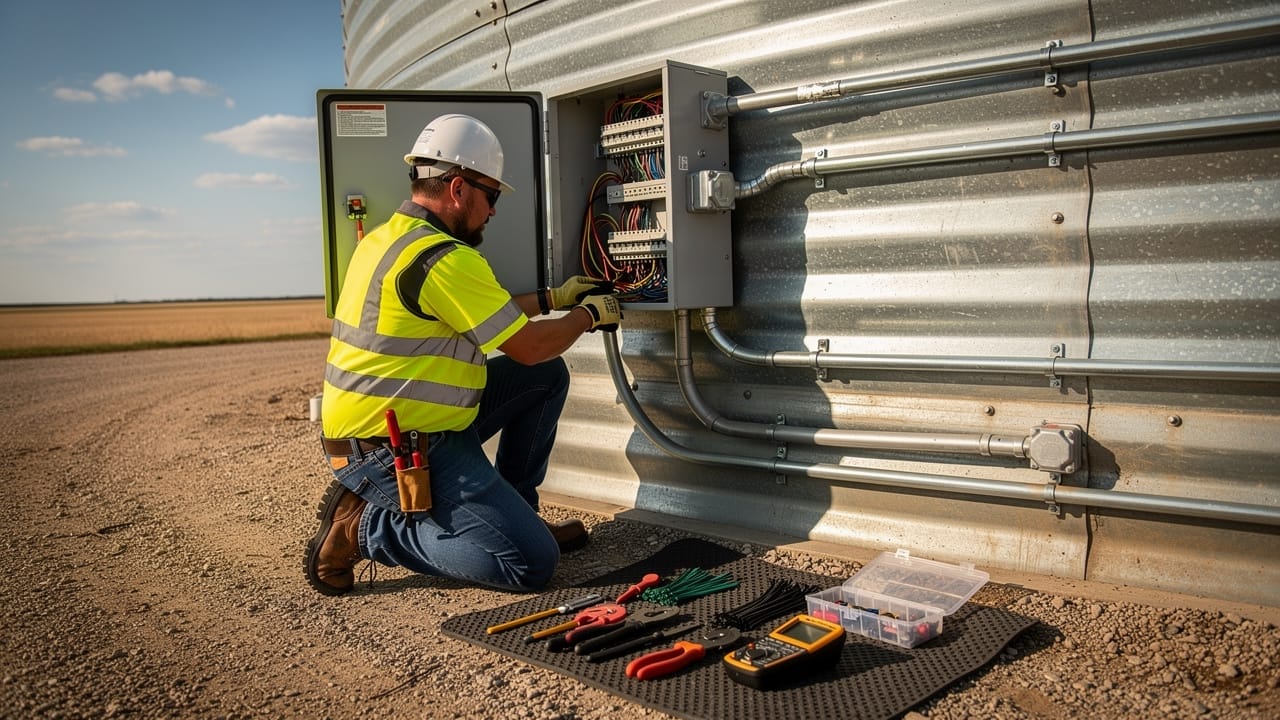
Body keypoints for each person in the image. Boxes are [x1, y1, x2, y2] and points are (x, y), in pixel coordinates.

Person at [304, 113, 622, 596]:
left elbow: (481, 314)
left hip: (392, 427)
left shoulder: (386, 240)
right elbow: (531, 347)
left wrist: (555, 299)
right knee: (529, 563)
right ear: (457, 188)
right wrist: (590, 316)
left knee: (546, 378)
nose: (492, 211)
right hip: (396, 446)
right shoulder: (445, 259)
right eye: (491, 196)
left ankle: (516, 512)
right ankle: (368, 527)